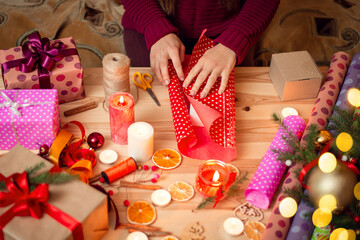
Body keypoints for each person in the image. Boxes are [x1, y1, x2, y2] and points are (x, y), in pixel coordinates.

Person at [121, 0, 280, 98]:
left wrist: (235, 41)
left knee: (236, 103)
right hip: (151, 27)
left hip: (230, 36)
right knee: (153, 102)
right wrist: (155, 28)